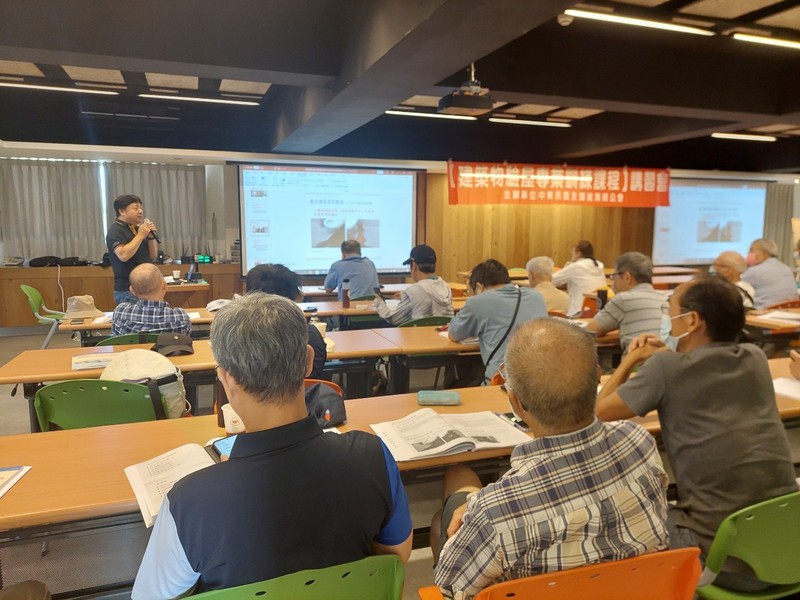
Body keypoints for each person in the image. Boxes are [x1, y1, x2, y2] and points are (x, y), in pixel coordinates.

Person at [132, 294, 412, 597]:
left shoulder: (187, 502)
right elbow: (395, 560)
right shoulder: (373, 456)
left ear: (226, 379)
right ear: (308, 360)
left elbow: (148, 596)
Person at [433, 319, 669, 599]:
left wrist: (478, 509)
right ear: (598, 376)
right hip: (636, 590)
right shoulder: (639, 441)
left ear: (516, 402)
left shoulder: (496, 513)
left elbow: (449, 587)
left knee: (457, 486)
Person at [596, 277, 797, 592]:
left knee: (634, 514)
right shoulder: (755, 357)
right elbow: (694, 372)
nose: (668, 318)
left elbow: (599, 411)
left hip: (726, 566)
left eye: (670, 310)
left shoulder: (665, 368)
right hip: (786, 556)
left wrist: (631, 360)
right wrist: (666, 358)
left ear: (691, 320)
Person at [448, 259, 546, 384]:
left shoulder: (477, 302)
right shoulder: (536, 296)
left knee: (454, 383)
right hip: (538, 380)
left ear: (479, 287)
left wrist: (472, 297)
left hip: (501, 382)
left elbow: (454, 333)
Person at [245, 263, 327, 379]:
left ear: (248, 295)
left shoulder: (239, 336)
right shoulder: (310, 334)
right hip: (306, 391)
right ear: (293, 297)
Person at [584, 251, 667, 352]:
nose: (613, 282)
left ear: (627, 277)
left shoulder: (623, 299)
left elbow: (589, 332)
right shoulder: (665, 299)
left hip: (638, 361)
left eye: (614, 276)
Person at [375, 244, 453, 325]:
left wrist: (379, 302)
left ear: (414, 266)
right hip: (443, 332)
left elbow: (393, 319)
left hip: (418, 333)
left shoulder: (412, 291)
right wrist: (405, 296)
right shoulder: (446, 287)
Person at [105, 194, 159, 305]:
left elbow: (153, 256)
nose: (140, 211)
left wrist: (150, 237)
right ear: (122, 211)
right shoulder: (115, 231)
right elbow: (123, 255)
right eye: (135, 208)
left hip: (146, 287)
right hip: (127, 290)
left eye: (141, 208)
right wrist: (140, 236)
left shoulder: (137, 229)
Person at [112, 264, 191, 335]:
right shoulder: (180, 317)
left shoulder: (121, 312)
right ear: (164, 285)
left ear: (132, 291)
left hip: (131, 347)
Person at [551, 240, 607, 317]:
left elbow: (550, 281)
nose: (572, 254)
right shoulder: (599, 265)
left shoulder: (575, 267)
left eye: (573, 251)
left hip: (579, 312)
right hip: (599, 310)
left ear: (578, 253)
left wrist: (565, 268)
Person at [741, 238, 797, 309]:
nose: (748, 254)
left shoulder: (755, 271)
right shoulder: (786, 268)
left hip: (764, 311)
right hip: (789, 310)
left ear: (764, 254)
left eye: (751, 251)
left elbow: (736, 288)